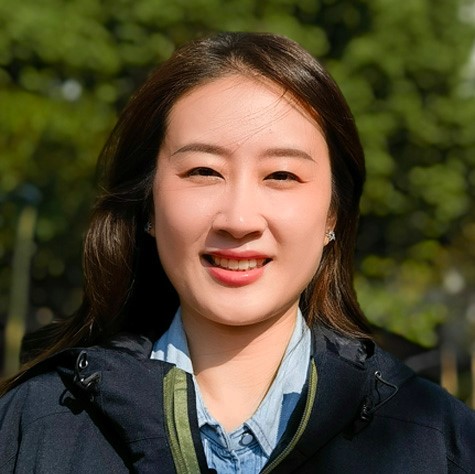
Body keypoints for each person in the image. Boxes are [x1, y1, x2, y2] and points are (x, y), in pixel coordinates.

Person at [0, 31, 474, 474]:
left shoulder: (439, 443)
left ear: (333, 213)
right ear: (147, 204)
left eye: (281, 175)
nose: (240, 219)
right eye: (204, 171)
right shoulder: (34, 428)